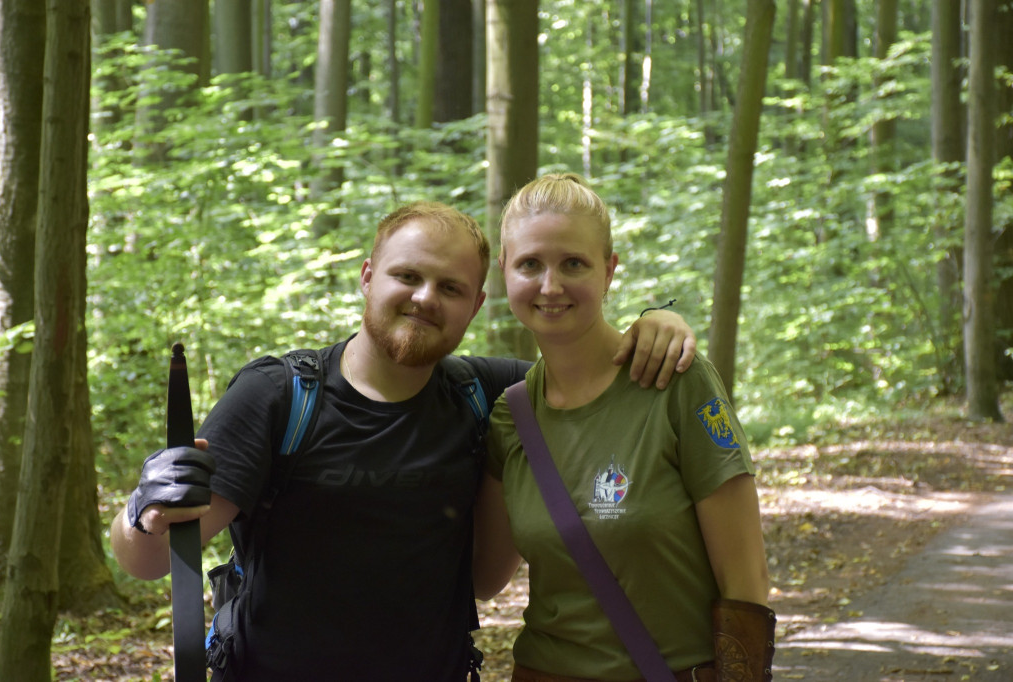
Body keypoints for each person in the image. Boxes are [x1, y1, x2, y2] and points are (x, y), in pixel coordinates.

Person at [110, 201, 699, 682]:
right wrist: (142, 509)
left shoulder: (492, 394)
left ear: (475, 305)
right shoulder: (278, 398)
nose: (424, 298)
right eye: (407, 276)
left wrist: (654, 321)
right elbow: (152, 558)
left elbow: (592, 365)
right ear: (368, 276)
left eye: (449, 287)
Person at [473, 174, 775, 682]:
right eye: (530, 264)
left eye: (574, 263)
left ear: (609, 271)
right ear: (503, 271)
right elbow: (485, 577)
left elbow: (746, 579)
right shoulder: (510, 417)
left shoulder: (675, 381)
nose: (550, 285)